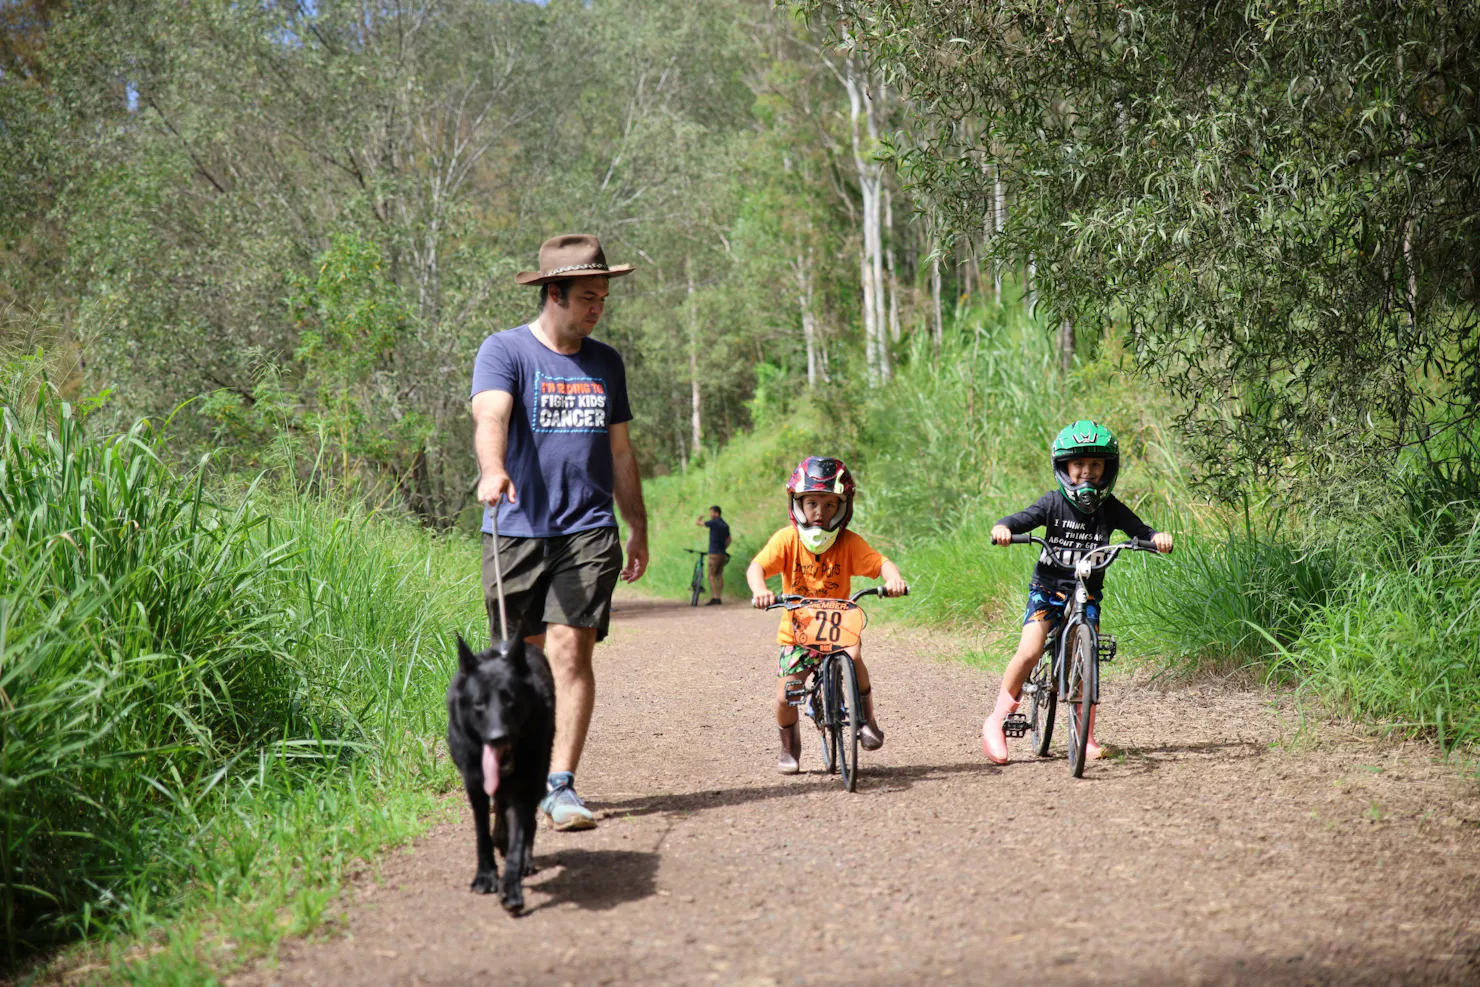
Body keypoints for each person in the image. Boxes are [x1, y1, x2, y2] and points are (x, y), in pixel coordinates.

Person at [470, 233, 649, 831]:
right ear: (554, 293)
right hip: (516, 528)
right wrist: (493, 469)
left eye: (603, 297)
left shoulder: (607, 362)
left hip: (588, 530)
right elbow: (491, 414)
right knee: (522, 663)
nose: (598, 308)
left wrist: (638, 523)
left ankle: (559, 785)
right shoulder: (504, 351)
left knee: (571, 651)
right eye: (587, 297)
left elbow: (621, 453)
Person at [982, 420, 1172, 764]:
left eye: (1096, 465)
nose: (1087, 473)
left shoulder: (1109, 506)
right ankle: (997, 720)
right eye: (1079, 464)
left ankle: (1085, 736)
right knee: (1029, 651)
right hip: (1048, 589)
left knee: (1086, 661)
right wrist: (1004, 528)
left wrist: (1156, 538)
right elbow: (1022, 518)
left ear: (1107, 470)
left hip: (1087, 592)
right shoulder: (1053, 503)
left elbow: (1140, 529)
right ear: (1064, 468)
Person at [746, 456, 907, 774]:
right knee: (785, 697)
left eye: (830, 504)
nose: (820, 513)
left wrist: (894, 579)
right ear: (797, 504)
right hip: (797, 631)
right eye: (812, 503)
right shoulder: (787, 540)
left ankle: (866, 721)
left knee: (855, 656)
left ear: (843, 507)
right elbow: (757, 567)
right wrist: (758, 589)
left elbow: (880, 563)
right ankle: (789, 747)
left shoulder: (849, 543)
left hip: (838, 628)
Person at [695, 505, 732, 605]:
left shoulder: (713, 523)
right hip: (722, 554)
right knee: (719, 575)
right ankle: (719, 597)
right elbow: (729, 539)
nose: (710, 515)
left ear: (716, 513)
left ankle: (715, 597)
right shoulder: (725, 524)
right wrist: (724, 547)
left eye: (711, 513)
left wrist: (700, 517)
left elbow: (698, 523)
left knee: (711, 576)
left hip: (714, 553)